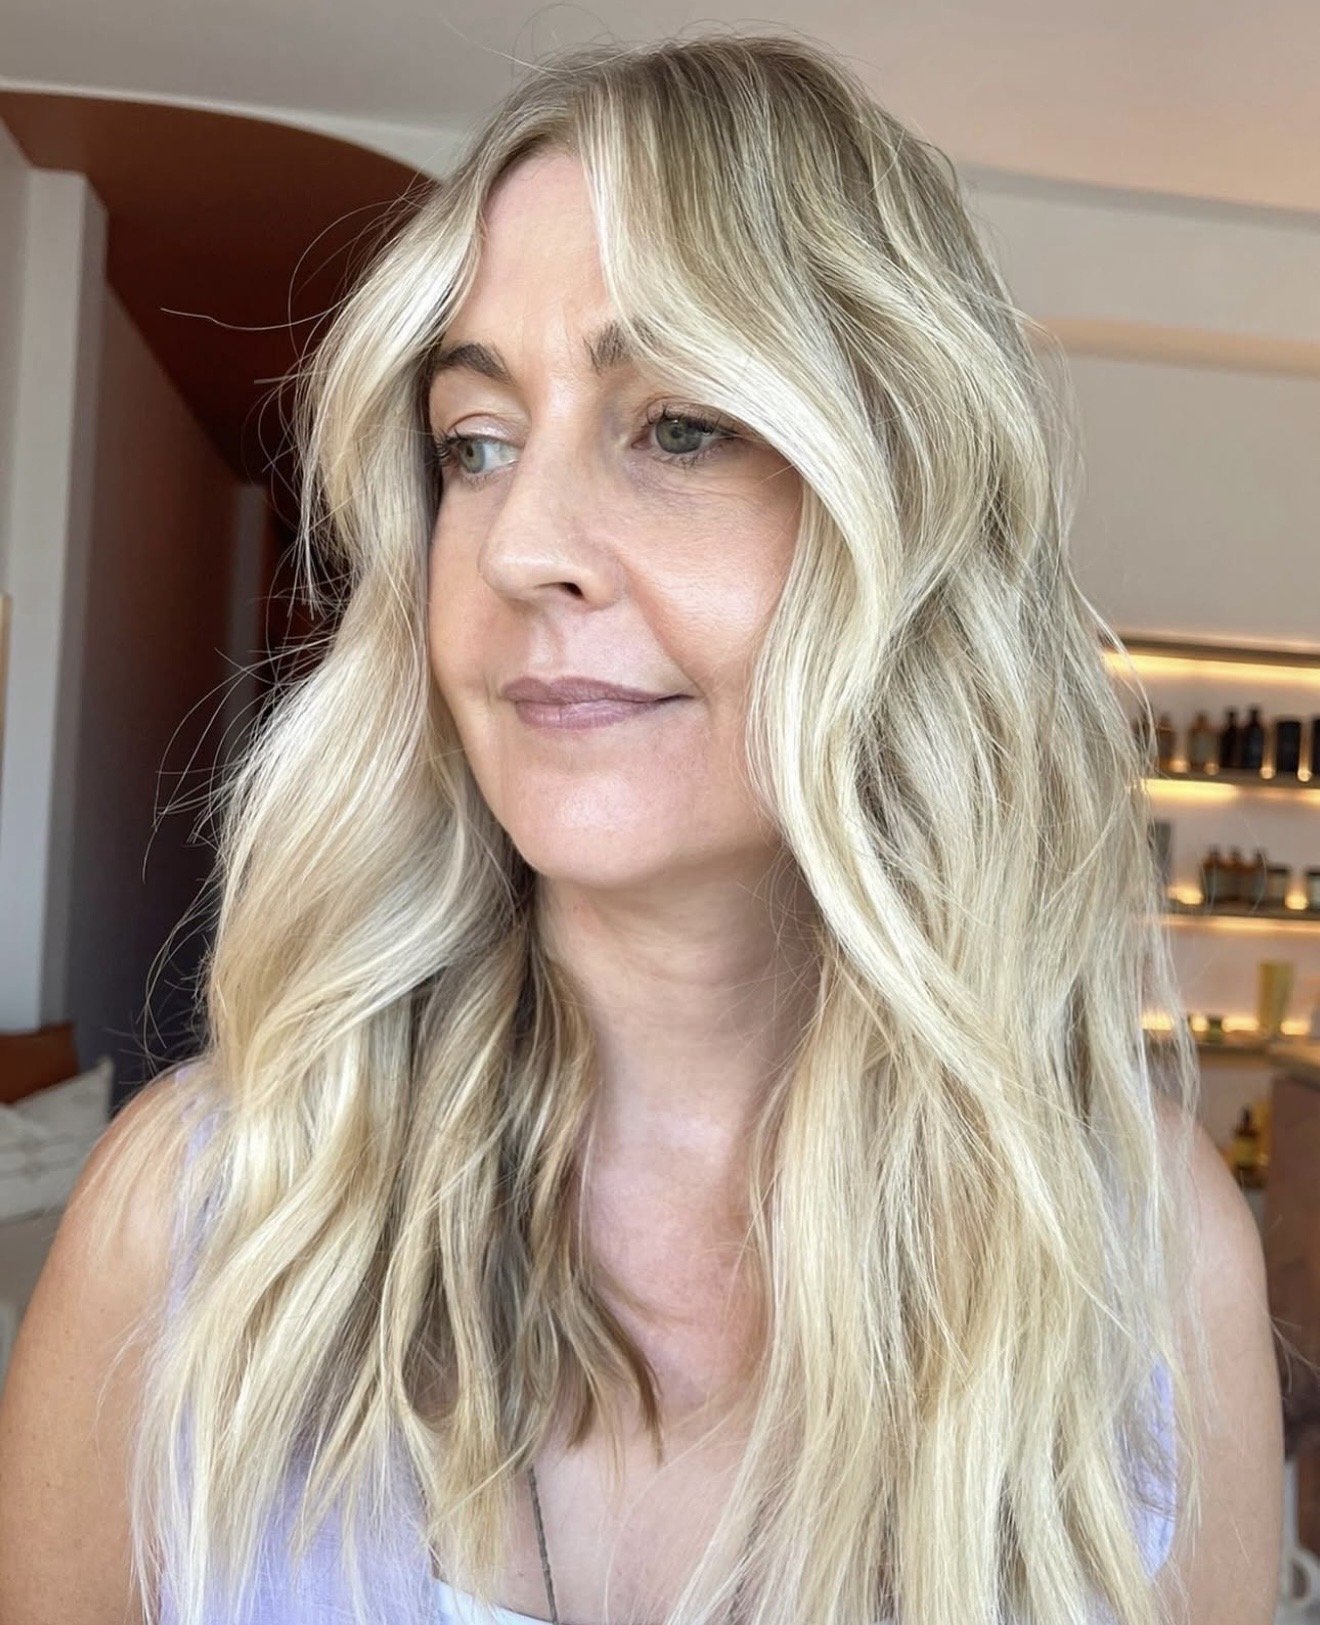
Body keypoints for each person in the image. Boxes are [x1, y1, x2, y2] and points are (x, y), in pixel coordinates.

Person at [0, 31, 1282, 1625]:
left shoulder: (1141, 1259)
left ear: (904, 497)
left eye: (678, 426)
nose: (524, 540)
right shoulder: (191, 1228)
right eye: (475, 444)